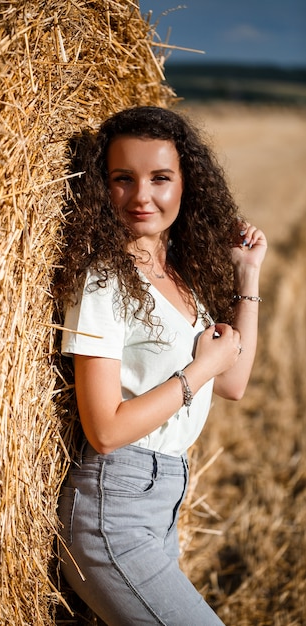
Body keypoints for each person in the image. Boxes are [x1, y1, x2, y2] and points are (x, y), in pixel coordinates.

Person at [54, 106, 267, 626]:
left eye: (160, 178)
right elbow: (104, 430)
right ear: (102, 187)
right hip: (113, 510)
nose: (141, 195)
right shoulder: (104, 281)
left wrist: (248, 277)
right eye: (122, 179)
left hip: (163, 503)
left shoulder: (182, 279)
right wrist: (199, 369)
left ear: (186, 183)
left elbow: (234, 381)